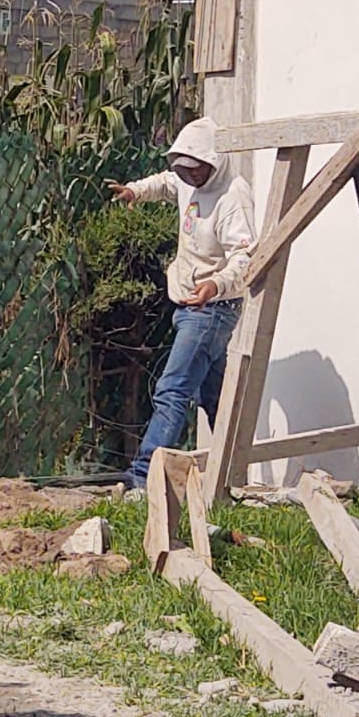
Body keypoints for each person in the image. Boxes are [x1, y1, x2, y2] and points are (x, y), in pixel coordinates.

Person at [112, 116, 257, 493]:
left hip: (212, 310)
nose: (188, 177)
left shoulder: (231, 195)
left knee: (172, 389)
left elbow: (245, 256)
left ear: (212, 162)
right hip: (189, 305)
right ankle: (233, 473)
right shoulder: (186, 177)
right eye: (183, 169)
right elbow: (165, 183)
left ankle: (144, 478)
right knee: (214, 396)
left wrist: (216, 283)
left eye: (194, 171)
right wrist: (133, 191)